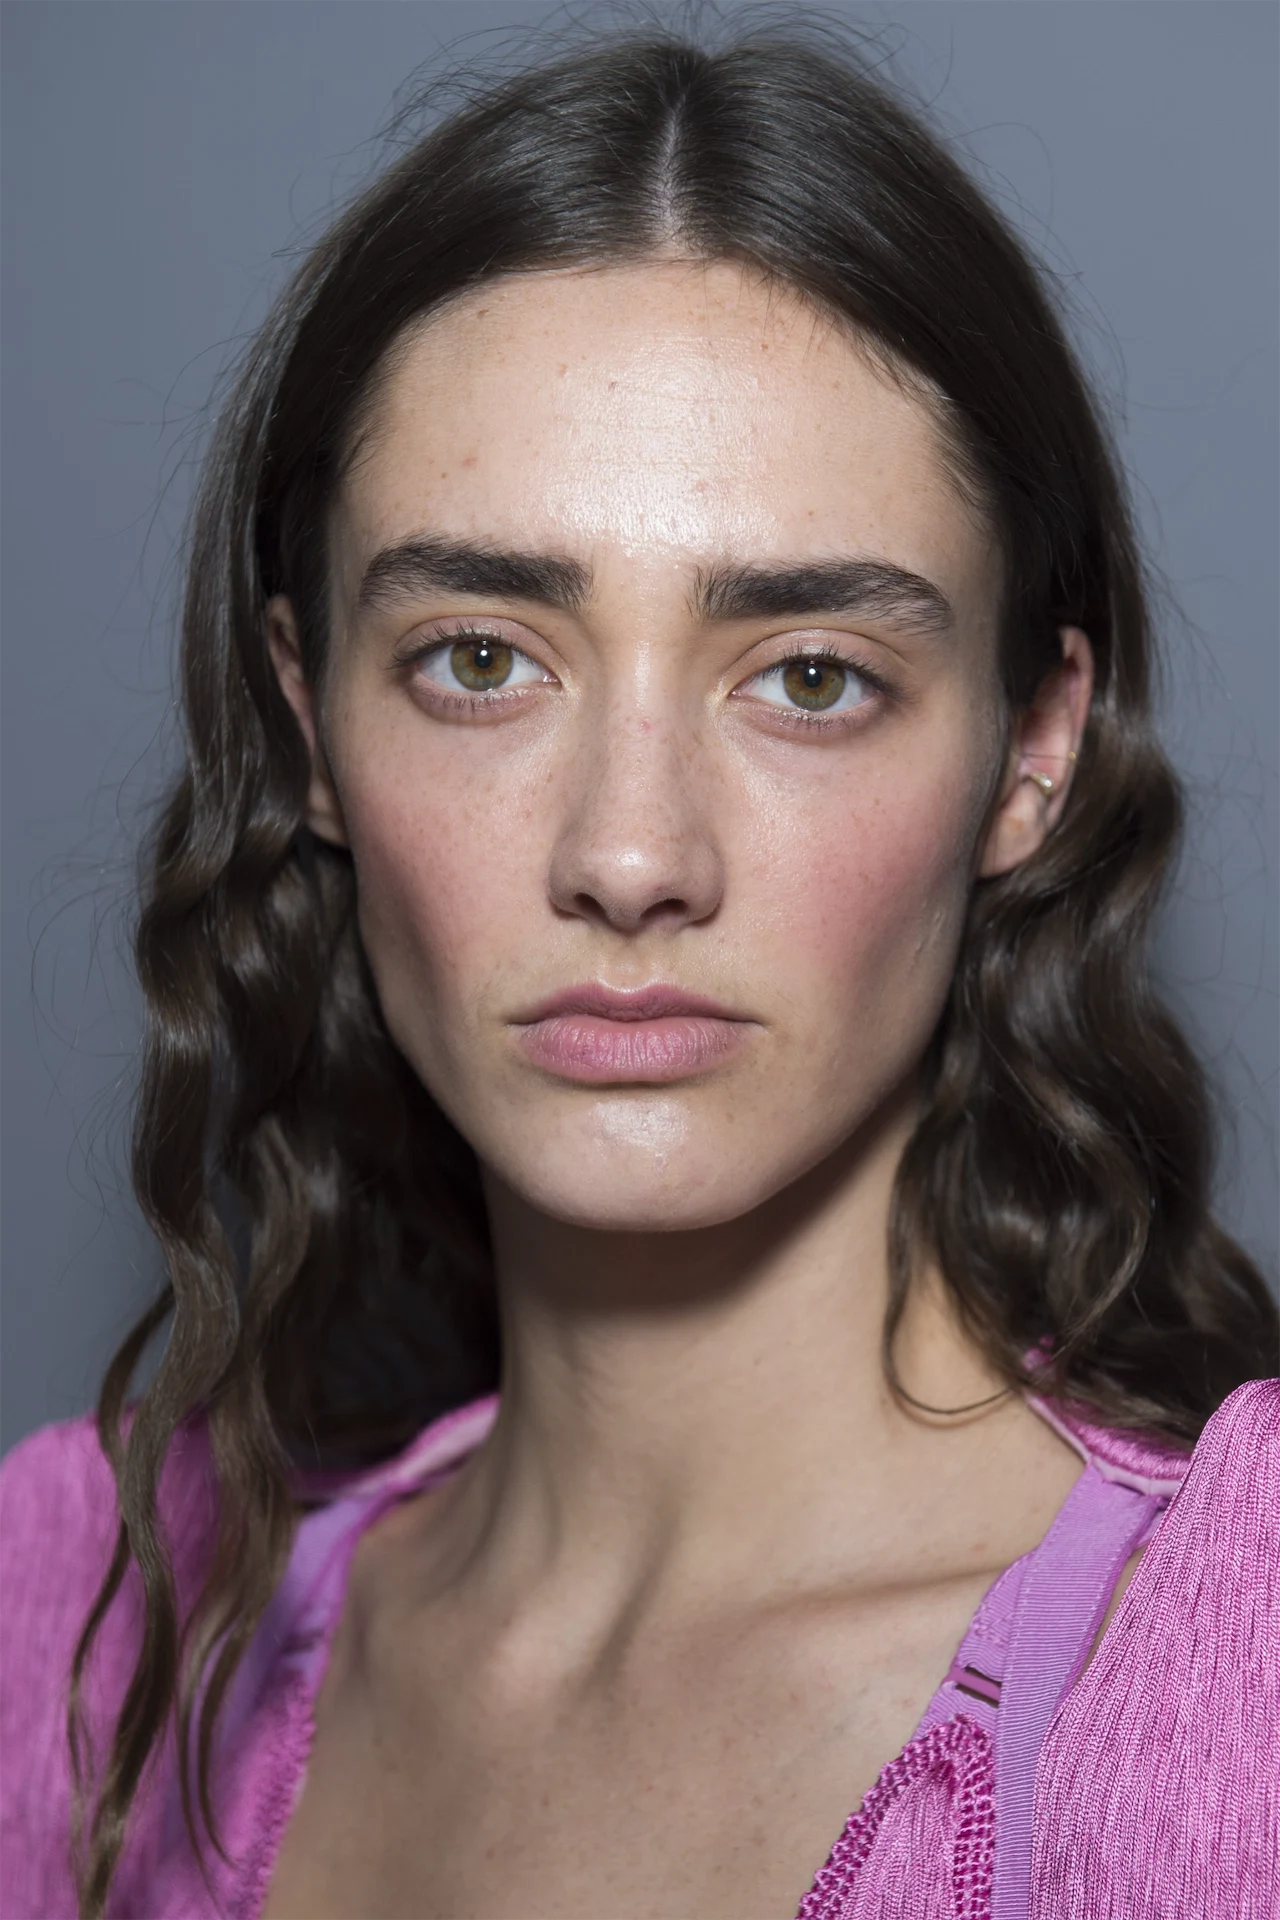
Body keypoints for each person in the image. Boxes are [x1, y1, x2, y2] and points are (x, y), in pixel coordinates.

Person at [1, 24, 1277, 1920]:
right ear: (309, 717)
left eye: (811, 678)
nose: (628, 856)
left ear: (1034, 751)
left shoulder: (1233, 1692)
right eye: (482, 660)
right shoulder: (92, 1654)